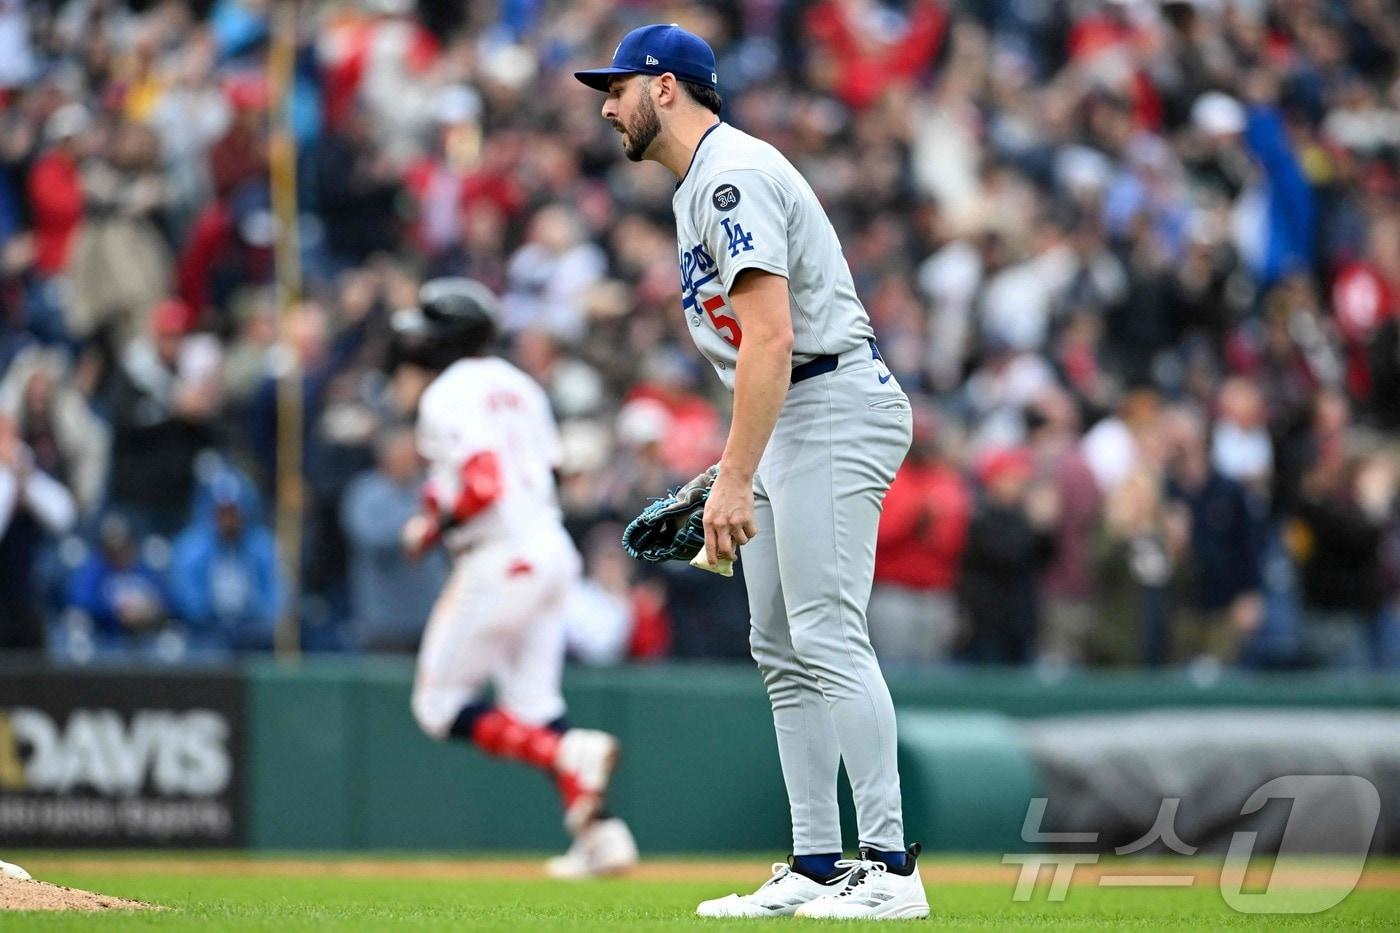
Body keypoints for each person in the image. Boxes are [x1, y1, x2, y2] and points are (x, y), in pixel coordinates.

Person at [577, 25, 927, 919]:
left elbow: (773, 336)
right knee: (780, 646)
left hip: (832, 400)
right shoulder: (698, 187)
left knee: (825, 630)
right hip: (795, 412)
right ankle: (816, 864)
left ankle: (889, 868)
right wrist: (733, 464)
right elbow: (760, 354)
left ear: (666, 88)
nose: (605, 106)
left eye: (617, 88)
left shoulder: (731, 175)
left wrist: (737, 476)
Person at [394, 277, 637, 878]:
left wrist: (428, 530)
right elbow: (548, 475)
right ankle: (601, 839)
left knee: (437, 705)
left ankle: (568, 753)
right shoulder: (522, 386)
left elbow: (481, 485)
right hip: (552, 550)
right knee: (535, 703)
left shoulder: (445, 392)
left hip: (501, 556)